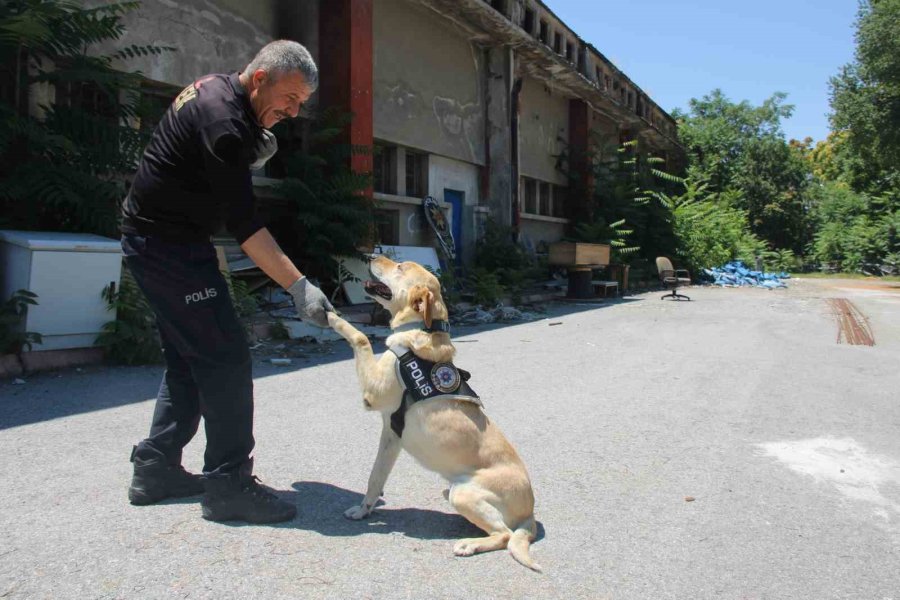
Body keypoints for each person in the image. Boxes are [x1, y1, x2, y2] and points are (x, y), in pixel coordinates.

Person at [120, 40, 332, 524]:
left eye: (301, 105)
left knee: (190, 360)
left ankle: (156, 468)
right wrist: (299, 286)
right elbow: (247, 226)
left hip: (162, 243)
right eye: (290, 99)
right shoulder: (226, 125)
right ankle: (228, 484)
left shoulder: (217, 90)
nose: (294, 112)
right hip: (168, 248)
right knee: (225, 358)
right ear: (260, 78)